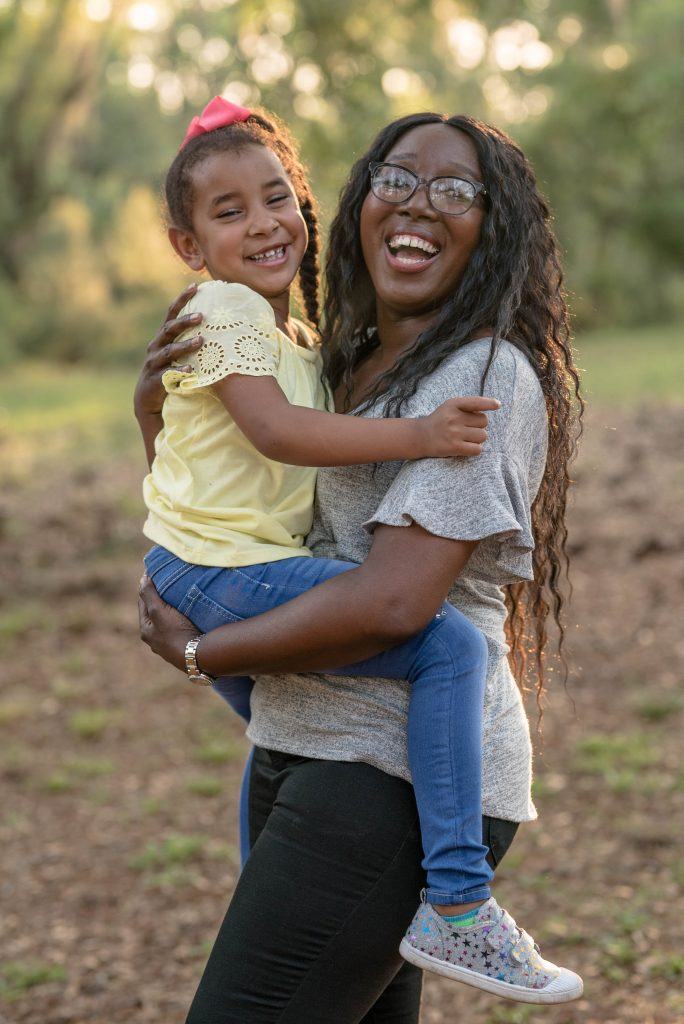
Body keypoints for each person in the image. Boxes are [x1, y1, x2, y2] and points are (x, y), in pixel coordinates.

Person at [137, 110, 583, 1021]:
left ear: (493, 227)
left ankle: (460, 903)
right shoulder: (335, 357)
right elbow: (227, 495)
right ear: (357, 200)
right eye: (396, 178)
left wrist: (203, 656)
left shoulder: (484, 378)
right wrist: (154, 405)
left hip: (391, 784)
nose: (419, 203)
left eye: (456, 188)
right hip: (303, 744)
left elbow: (392, 606)